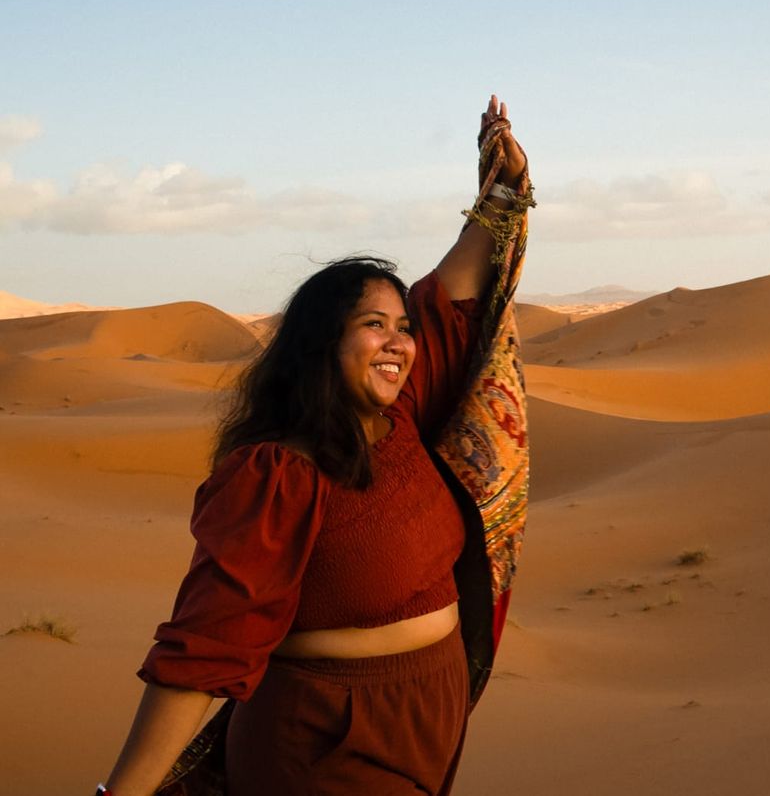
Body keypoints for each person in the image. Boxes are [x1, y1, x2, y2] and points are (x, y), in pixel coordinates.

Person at [98, 95, 535, 796]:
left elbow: (447, 302)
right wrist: (119, 794)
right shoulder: (278, 473)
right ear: (322, 343)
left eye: (401, 327)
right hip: (326, 738)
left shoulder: (402, 421)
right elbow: (208, 645)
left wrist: (503, 189)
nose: (398, 341)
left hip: (425, 724)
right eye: (373, 324)